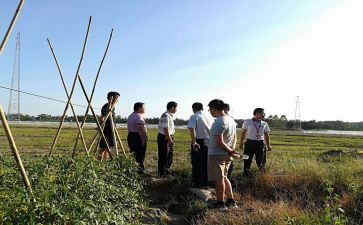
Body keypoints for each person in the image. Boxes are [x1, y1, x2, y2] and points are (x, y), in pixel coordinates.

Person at [207, 99, 239, 210]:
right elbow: (234, 137)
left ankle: (220, 203)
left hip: (217, 154)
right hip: (226, 154)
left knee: (219, 179)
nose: (209, 112)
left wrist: (230, 151)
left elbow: (219, 142)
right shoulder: (231, 120)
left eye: (210, 109)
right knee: (224, 177)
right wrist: (232, 150)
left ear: (214, 109)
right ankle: (231, 201)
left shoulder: (219, 122)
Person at [187, 102, 214, 188]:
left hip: (199, 141)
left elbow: (192, 128)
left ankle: (198, 183)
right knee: (206, 163)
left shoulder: (194, 116)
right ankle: (206, 182)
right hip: (209, 142)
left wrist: (194, 142)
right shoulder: (210, 117)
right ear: (202, 108)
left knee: (197, 163)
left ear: (193, 109)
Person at [239, 108, 272, 176]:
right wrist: (241, 143)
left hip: (260, 143)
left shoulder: (265, 123)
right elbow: (243, 133)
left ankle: (261, 173)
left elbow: (266, 135)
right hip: (249, 143)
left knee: (261, 159)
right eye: (262, 113)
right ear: (257, 113)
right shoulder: (247, 122)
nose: (264, 114)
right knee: (246, 157)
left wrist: (268, 145)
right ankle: (246, 172)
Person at [157, 101, 178, 177]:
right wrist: (169, 139)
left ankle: (167, 170)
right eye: (176, 108)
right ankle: (162, 172)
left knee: (169, 154)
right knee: (164, 154)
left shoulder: (169, 115)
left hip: (167, 136)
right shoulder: (165, 115)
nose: (177, 110)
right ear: (172, 107)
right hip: (164, 137)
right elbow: (166, 129)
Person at [98, 91, 120, 160]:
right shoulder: (107, 106)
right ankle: (99, 161)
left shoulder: (113, 107)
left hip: (111, 130)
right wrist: (100, 125)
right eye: (117, 98)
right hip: (106, 130)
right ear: (111, 98)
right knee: (103, 147)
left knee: (108, 147)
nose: (118, 100)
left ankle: (105, 160)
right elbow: (102, 117)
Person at [127, 102, 147, 172]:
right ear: (139, 108)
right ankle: (140, 170)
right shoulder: (139, 116)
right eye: (144, 107)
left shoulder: (131, 115)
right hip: (137, 137)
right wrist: (143, 139)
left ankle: (132, 169)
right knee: (140, 154)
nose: (145, 109)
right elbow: (140, 128)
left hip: (131, 136)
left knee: (133, 153)